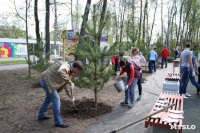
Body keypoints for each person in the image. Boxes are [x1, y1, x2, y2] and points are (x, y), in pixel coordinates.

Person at [38, 60, 83, 128]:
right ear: (76, 69)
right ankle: (58, 122)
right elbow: (61, 71)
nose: (78, 72)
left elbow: (66, 85)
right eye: (78, 71)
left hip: (50, 82)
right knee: (56, 100)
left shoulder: (70, 72)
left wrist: (71, 97)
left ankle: (41, 115)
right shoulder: (66, 65)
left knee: (48, 99)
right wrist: (69, 81)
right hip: (47, 81)